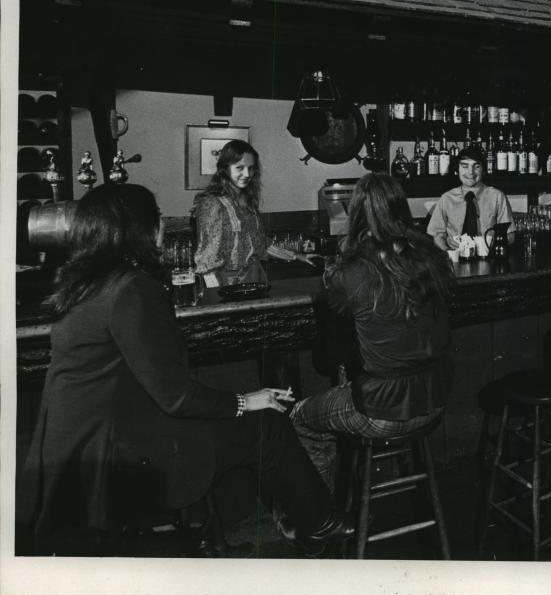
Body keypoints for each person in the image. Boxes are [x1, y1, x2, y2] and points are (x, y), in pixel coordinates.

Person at [15, 183, 353, 556]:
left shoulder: (83, 284)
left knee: (228, 425)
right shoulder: (132, 288)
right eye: (156, 218)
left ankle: (234, 531)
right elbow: (175, 396)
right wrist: (245, 401)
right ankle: (319, 524)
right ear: (136, 229)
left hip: (77, 456)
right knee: (266, 425)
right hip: (120, 460)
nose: (162, 226)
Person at [290, 173, 454, 491]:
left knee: (299, 418)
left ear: (357, 214)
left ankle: (317, 522)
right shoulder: (432, 257)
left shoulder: (351, 273)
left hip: (383, 409)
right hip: (435, 399)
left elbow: (328, 358)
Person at [193, 139, 313, 288]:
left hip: (255, 279)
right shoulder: (212, 204)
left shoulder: (248, 201)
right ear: (225, 168)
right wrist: (216, 298)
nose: (246, 174)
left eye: (250, 168)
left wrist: (298, 256)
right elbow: (206, 261)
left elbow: (262, 245)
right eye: (239, 168)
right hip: (227, 284)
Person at [426, 146, 514, 251]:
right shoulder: (446, 199)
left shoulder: (497, 197)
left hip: (489, 259)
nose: (470, 172)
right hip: (455, 260)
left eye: (476, 166)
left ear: (483, 170)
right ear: (457, 170)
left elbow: (510, 236)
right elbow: (438, 236)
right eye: (465, 166)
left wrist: (490, 245)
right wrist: (447, 251)